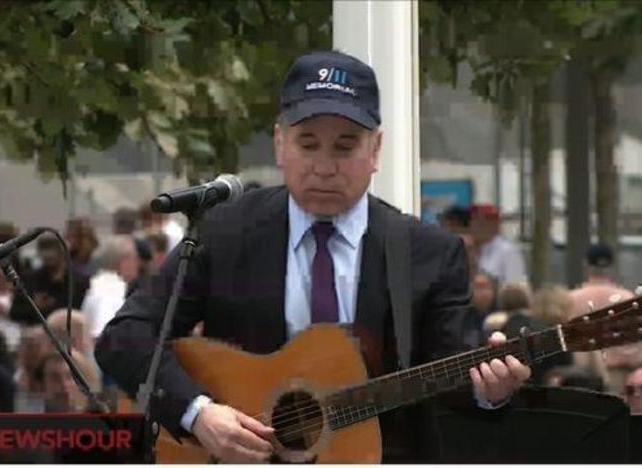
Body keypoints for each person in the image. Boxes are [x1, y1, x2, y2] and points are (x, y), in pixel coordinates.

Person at [94, 50, 530, 463]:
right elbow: (125, 336)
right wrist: (198, 413)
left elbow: (452, 383)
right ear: (280, 144)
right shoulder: (226, 231)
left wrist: (489, 390)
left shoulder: (429, 254)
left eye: (344, 147)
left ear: (375, 150)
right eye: (308, 144)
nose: (324, 166)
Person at [9, 236, 90, 325]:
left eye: (52, 251)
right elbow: (14, 312)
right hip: (35, 329)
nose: (47, 256)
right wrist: (35, 306)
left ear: (62, 254)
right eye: (44, 251)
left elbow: (78, 309)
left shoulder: (77, 282)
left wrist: (50, 306)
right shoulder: (30, 279)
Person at [81, 235, 140, 339]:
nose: (138, 263)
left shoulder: (100, 284)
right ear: (123, 262)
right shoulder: (110, 291)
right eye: (135, 258)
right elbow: (102, 332)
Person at [470, 204, 527, 285]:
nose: (473, 227)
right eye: (472, 221)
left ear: (494, 225)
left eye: (479, 223)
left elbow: (515, 285)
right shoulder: (474, 250)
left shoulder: (508, 251)